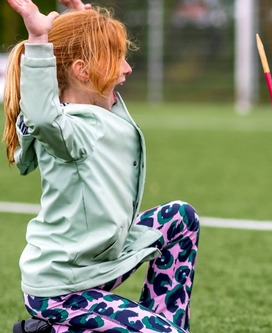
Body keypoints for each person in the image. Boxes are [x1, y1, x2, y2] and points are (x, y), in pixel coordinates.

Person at [3, 0, 200, 332]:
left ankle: (164, 323)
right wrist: (38, 39)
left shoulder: (93, 112)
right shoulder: (70, 131)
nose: (127, 69)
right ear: (82, 72)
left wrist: (82, 17)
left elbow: (72, 64)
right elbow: (40, 114)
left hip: (100, 260)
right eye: (117, 60)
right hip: (63, 290)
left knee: (181, 218)